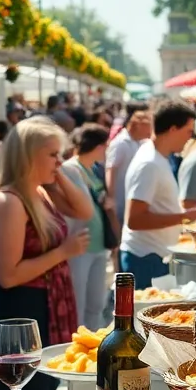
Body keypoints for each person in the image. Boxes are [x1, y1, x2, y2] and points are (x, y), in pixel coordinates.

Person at [0, 116, 93, 390]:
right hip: (17, 312)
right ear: (28, 156)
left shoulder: (39, 192)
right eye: (53, 154)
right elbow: (7, 275)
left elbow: (85, 211)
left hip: (41, 307)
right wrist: (63, 252)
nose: (60, 161)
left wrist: (58, 174)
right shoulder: (10, 202)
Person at [119, 100, 196, 288]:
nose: (190, 138)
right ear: (173, 129)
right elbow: (134, 220)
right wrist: (184, 217)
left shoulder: (156, 156)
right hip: (146, 257)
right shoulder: (149, 163)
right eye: (188, 131)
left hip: (154, 255)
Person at [61, 125, 116, 330]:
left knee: (96, 304)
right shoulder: (70, 168)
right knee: (78, 304)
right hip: (80, 246)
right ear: (98, 146)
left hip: (98, 244)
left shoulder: (94, 169)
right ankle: (76, 347)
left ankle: (92, 347)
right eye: (105, 146)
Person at [105, 102, 151, 223]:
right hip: (120, 199)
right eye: (148, 127)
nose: (150, 131)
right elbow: (111, 170)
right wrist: (111, 197)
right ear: (138, 126)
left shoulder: (138, 142)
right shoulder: (120, 143)